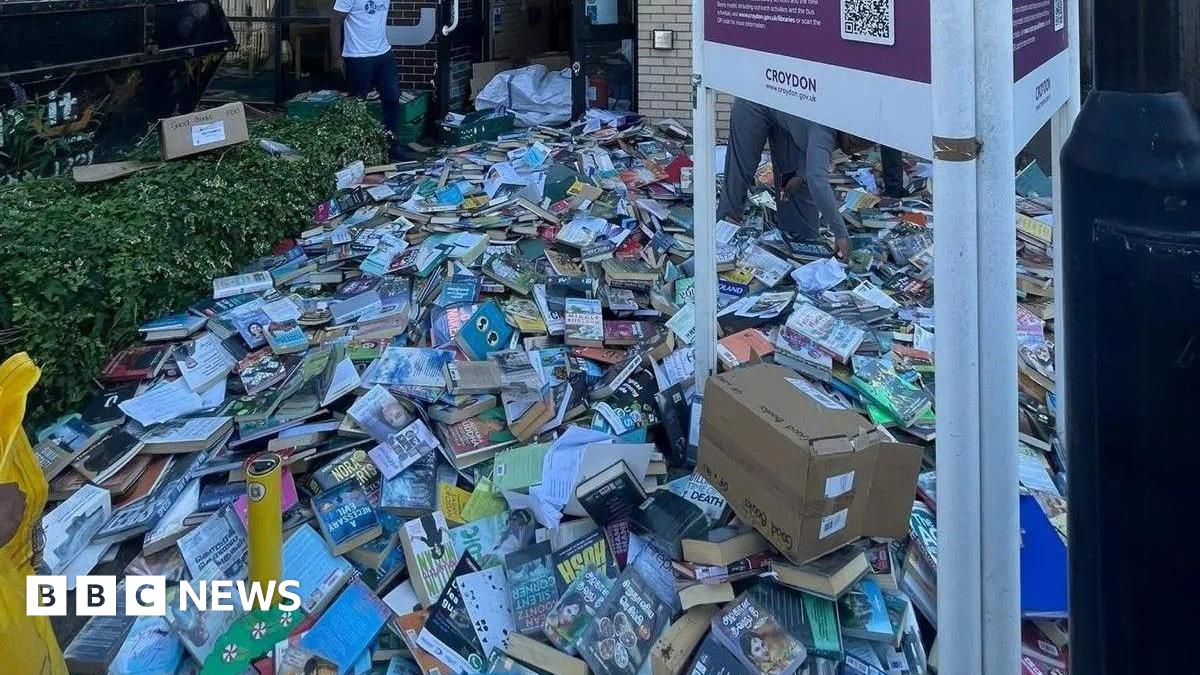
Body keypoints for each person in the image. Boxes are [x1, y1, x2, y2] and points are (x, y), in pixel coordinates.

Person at [719, 97, 861, 260]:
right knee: (739, 173)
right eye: (853, 144)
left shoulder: (846, 124)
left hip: (789, 112)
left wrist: (800, 175)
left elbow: (812, 153)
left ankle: (797, 249)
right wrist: (841, 233)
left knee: (794, 186)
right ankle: (723, 242)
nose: (852, 152)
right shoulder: (825, 128)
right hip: (755, 100)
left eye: (862, 148)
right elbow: (817, 179)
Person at [330, 0, 404, 159]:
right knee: (356, 104)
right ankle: (351, 151)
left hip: (383, 53)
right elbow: (336, 19)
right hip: (358, 56)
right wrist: (336, 56)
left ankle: (392, 148)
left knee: (392, 97)